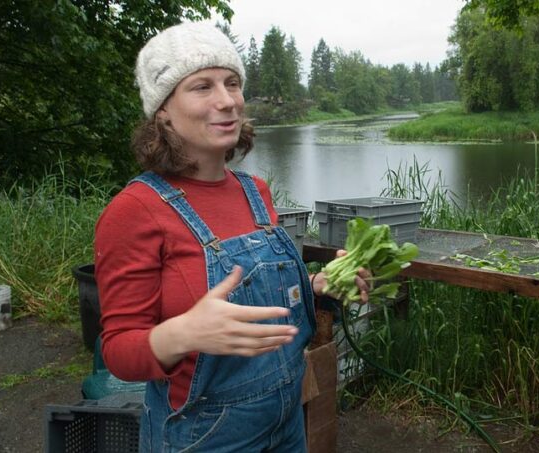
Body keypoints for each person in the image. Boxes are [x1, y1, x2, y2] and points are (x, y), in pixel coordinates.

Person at [94, 21, 368, 452]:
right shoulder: (134, 211)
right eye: (202, 86)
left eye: (232, 83)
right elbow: (118, 352)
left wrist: (316, 287)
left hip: (287, 424)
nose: (227, 101)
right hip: (204, 436)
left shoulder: (255, 192)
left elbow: (262, 300)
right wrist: (184, 333)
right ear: (163, 110)